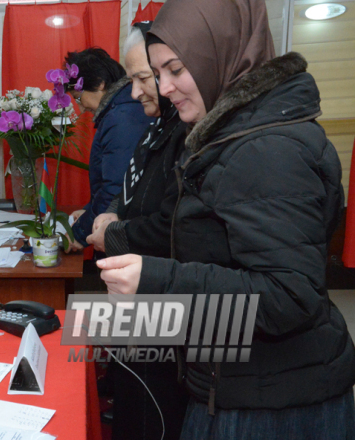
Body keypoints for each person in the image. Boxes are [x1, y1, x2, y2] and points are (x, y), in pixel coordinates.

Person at [98, 0, 355, 438]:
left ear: (218, 52)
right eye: (156, 74)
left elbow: (287, 297)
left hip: (272, 406)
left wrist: (158, 279)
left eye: (175, 70)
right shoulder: (232, 133)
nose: (164, 87)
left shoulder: (263, 149)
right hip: (244, 385)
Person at [86, 23, 189, 440]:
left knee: (151, 415)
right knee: (131, 403)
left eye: (142, 78)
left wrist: (112, 234)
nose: (135, 92)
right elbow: (131, 184)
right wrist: (111, 213)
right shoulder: (157, 125)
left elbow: (172, 223)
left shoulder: (184, 129)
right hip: (137, 304)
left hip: (161, 305)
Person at [63, 48, 153, 251]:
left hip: (124, 234)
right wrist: (87, 213)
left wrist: (78, 235)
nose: (81, 108)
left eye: (78, 97)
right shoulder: (120, 110)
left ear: (100, 83)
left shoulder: (122, 117)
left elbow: (115, 189)